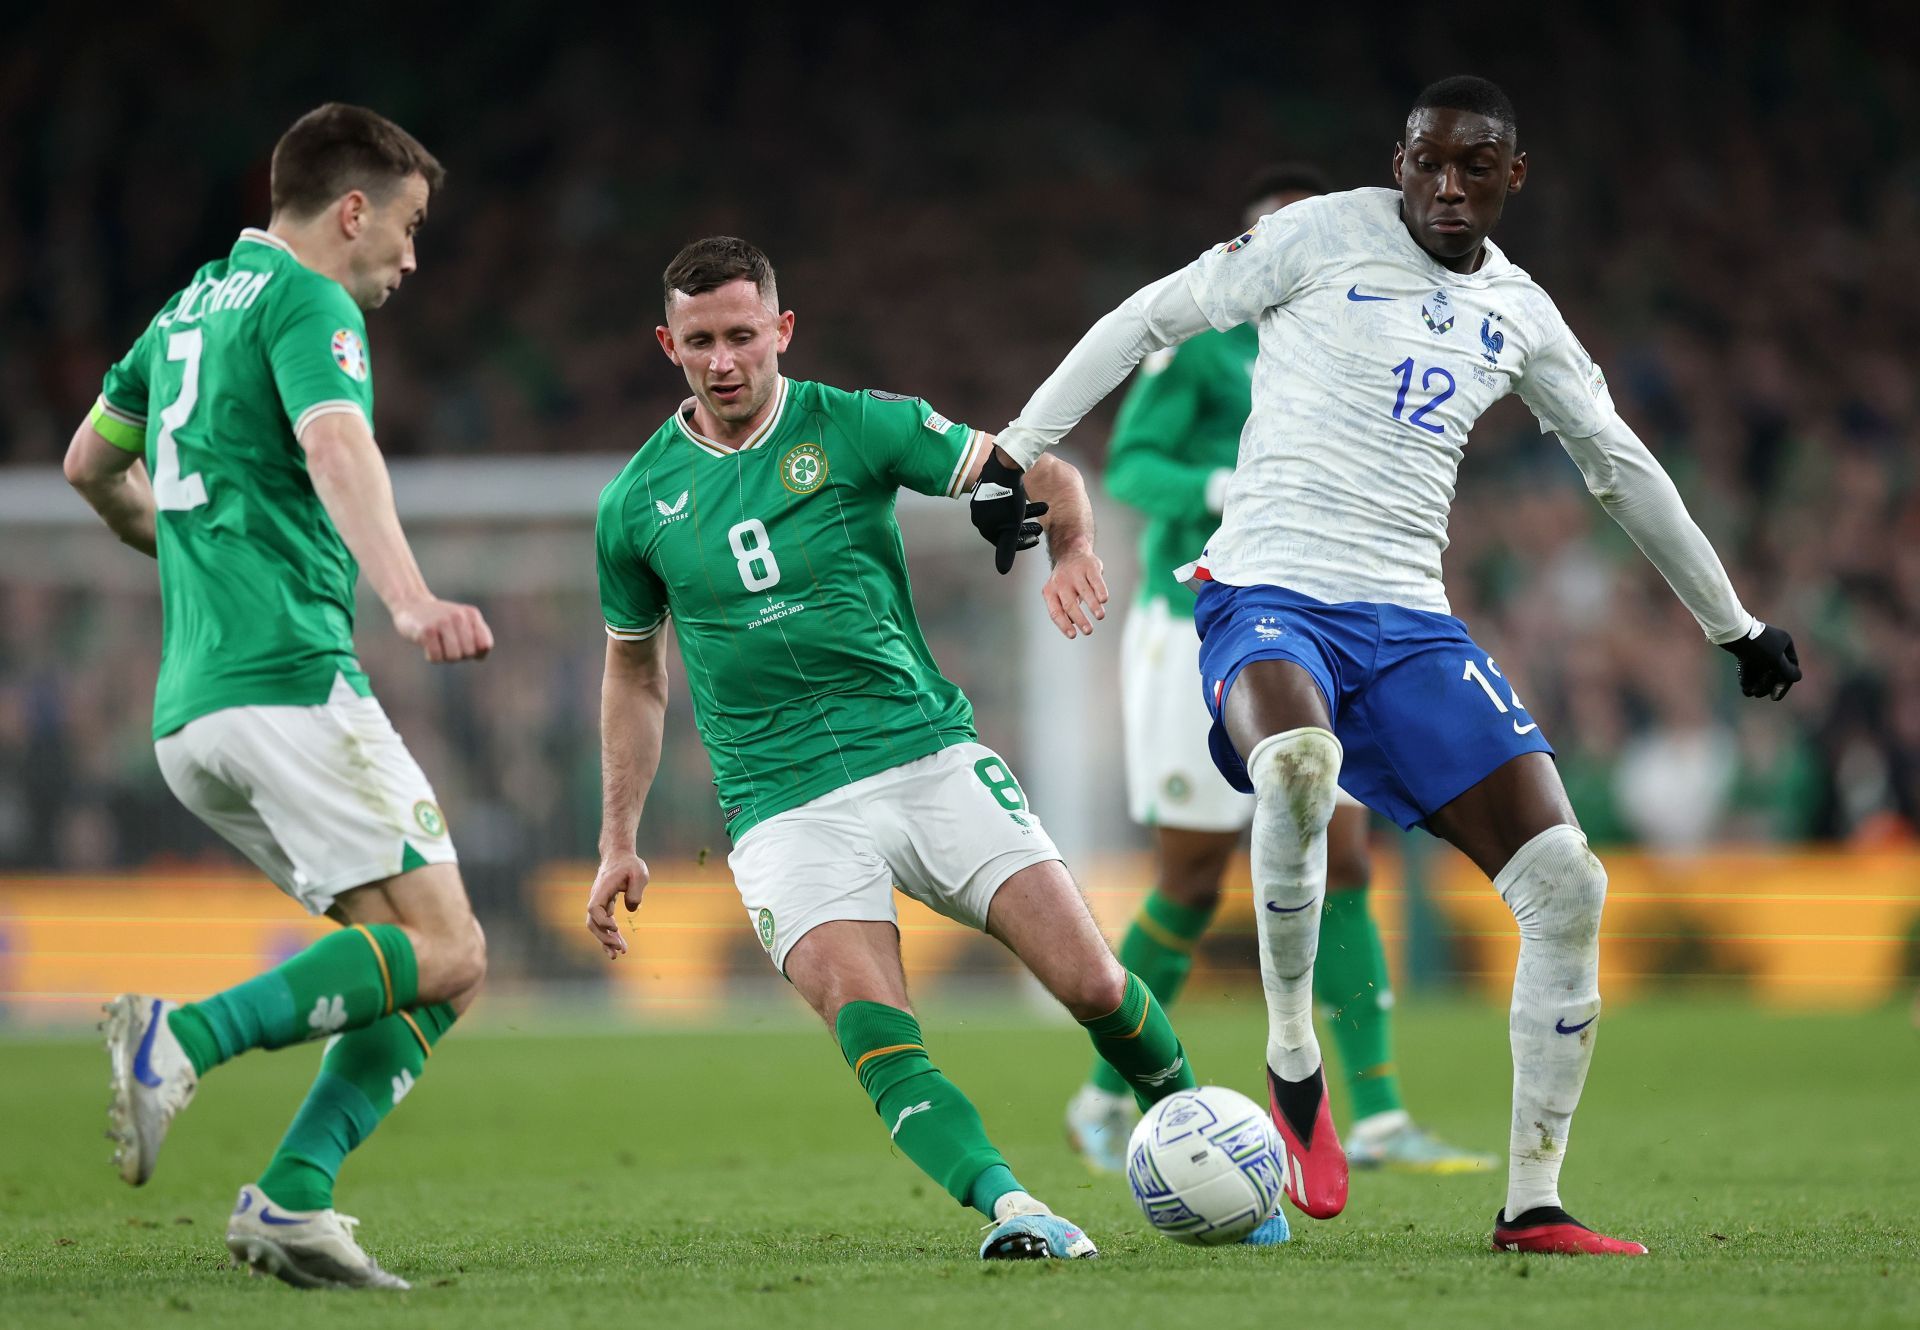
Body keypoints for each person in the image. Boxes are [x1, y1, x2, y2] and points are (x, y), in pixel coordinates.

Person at [970, 76, 1801, 1255]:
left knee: (1569, 883)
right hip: (1266, 591)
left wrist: (1733, 623)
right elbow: (1147, 317)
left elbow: (1619, 466)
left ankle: (1533, 1203)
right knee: (1301, 766)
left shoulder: (1521, 311)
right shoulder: (1314, 235)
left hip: (1410, 619)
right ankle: (1295, 1060)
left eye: (1475, 164)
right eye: (1426, 161)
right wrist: (1019, 451)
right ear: (1398, 162)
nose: (1447, 184)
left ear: (1517, 175)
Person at [586, 236, 1285, 1260]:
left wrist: (1074, 545)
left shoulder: (861, 425)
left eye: (743, 336)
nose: (725, 361)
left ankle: (1205, 1133)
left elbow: (1043, 469)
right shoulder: (635, 505)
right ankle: (1015, 1208)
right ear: (668, 345)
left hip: (925, 756)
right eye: (701, 343)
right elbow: (635, 676)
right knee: (870, 1021)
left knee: (1092, 985)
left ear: (782, 330)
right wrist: (618, 835)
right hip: (781, 802)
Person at [67, 103, 493, 1290]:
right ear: (349, 210)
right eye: (406, 227)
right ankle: (180, 1038)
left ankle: (294, 1200)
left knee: (418, 955)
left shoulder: (186, 308)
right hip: (291, 684)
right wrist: (406, 598)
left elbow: (88, 464)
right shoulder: (309, 301)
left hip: (190, 715)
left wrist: (180, 542)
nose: (411, 257)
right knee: (451, 949)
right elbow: (335, 444)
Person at [1066, 163, 1491, 1178]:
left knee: (1344, 855)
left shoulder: (1360, 340)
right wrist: (1226, 479)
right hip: (1194, 624)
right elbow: (1128, 467)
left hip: (1316, 627)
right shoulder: (1205, 342)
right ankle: (1098, 1094)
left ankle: (1379, 1114)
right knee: (1194, 874)